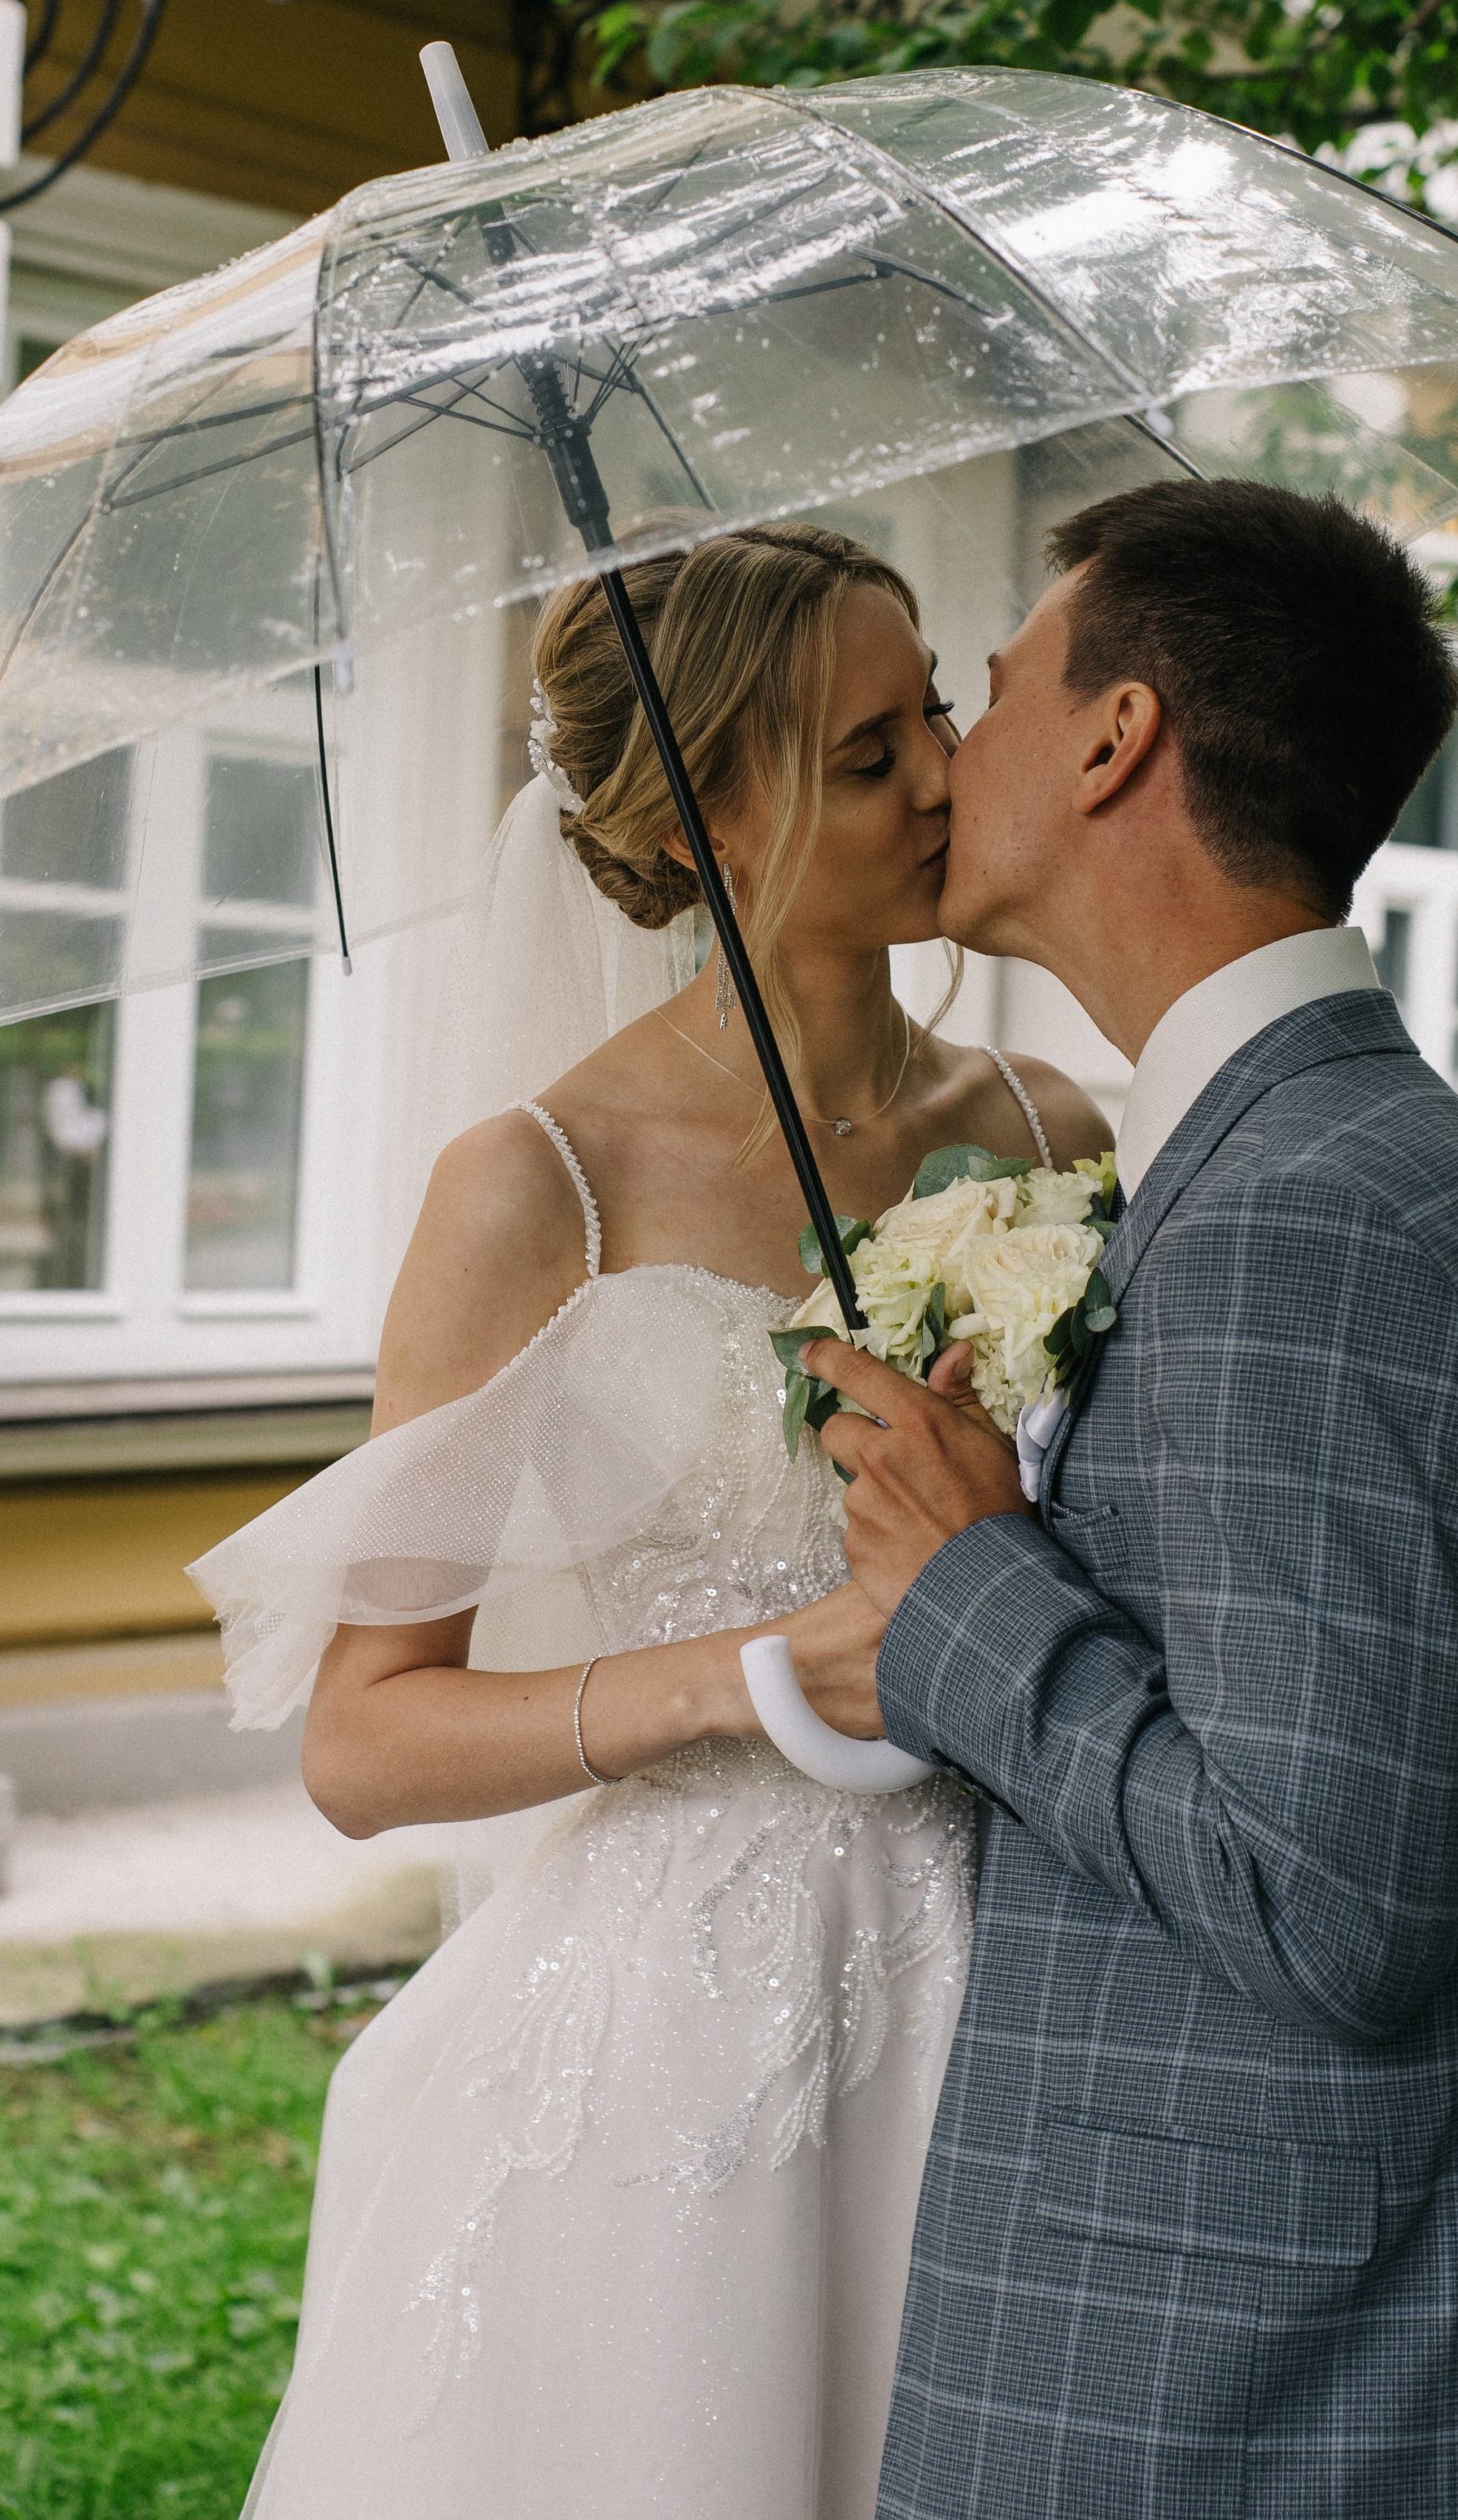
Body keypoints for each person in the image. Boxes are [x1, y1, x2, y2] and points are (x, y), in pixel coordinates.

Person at [189, 518, 1108, 2518]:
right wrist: (756, 1678)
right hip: (690, 2041)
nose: (946, 775)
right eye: (869, 755)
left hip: (1027, 1974)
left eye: (934, 709)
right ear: (699, 823)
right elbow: (362, 1741)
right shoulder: (541, 1187)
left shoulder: (1045, 1135)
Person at [797, 477, 1458, 2519]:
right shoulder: (1331, 1159)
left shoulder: (1304, 1218)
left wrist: (969, 1592)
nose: (952, 751)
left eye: (987, 692)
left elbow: (1325, 1905)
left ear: (1112, 737)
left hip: (1251, 2394)